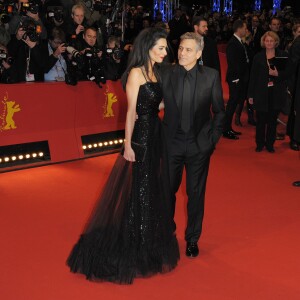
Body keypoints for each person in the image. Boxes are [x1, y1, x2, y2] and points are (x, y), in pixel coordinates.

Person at [66, 27, 179, 284]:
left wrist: (171, 101)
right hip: (141, 137)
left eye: (165, 48)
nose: (165, 52)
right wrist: (127, 144)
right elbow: (130, 113)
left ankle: (146, 235)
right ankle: (136, 238)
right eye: (160, 48)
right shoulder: (136, 73)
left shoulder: (156, 71)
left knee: (150, 187)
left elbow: (156, 104)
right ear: (148, 47)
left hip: (156, 134)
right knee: (139, 187)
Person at [160, 32, 225, 258]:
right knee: (167, 192)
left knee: (195, 194)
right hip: (172, 143)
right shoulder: (165, 72)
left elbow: (219, 112)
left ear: (198, 53)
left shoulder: (211, 76)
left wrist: (211, 141)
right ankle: (167, 232)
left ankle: (192, 239)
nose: (182, 53)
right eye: (180, 49)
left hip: (199, 145)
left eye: (188, 50)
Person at [248, 31, 288, 153]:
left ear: (276, 42)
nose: (269, 43)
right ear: (263, 42)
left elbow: (287, 75)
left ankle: (270, 144)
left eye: (271, 41)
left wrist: (278, 74)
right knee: (260, 121)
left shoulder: (282, 55)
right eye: (267, 41)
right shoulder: (258, 57)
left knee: (272, 121)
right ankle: (259, 144)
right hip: (261, 93)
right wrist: (250, 95)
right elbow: (253, 77)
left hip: (276, 93)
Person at [223, 20, 249, 140]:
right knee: (232, 104)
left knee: (233, 104)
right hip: (235, 79)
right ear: (239, 29)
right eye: (245, 28)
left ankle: (228, 128)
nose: (246, 30)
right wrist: (237, 78)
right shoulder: (233, 43)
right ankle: (226, 129)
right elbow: (233, 64)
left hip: (239, 78)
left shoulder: (239, 41)